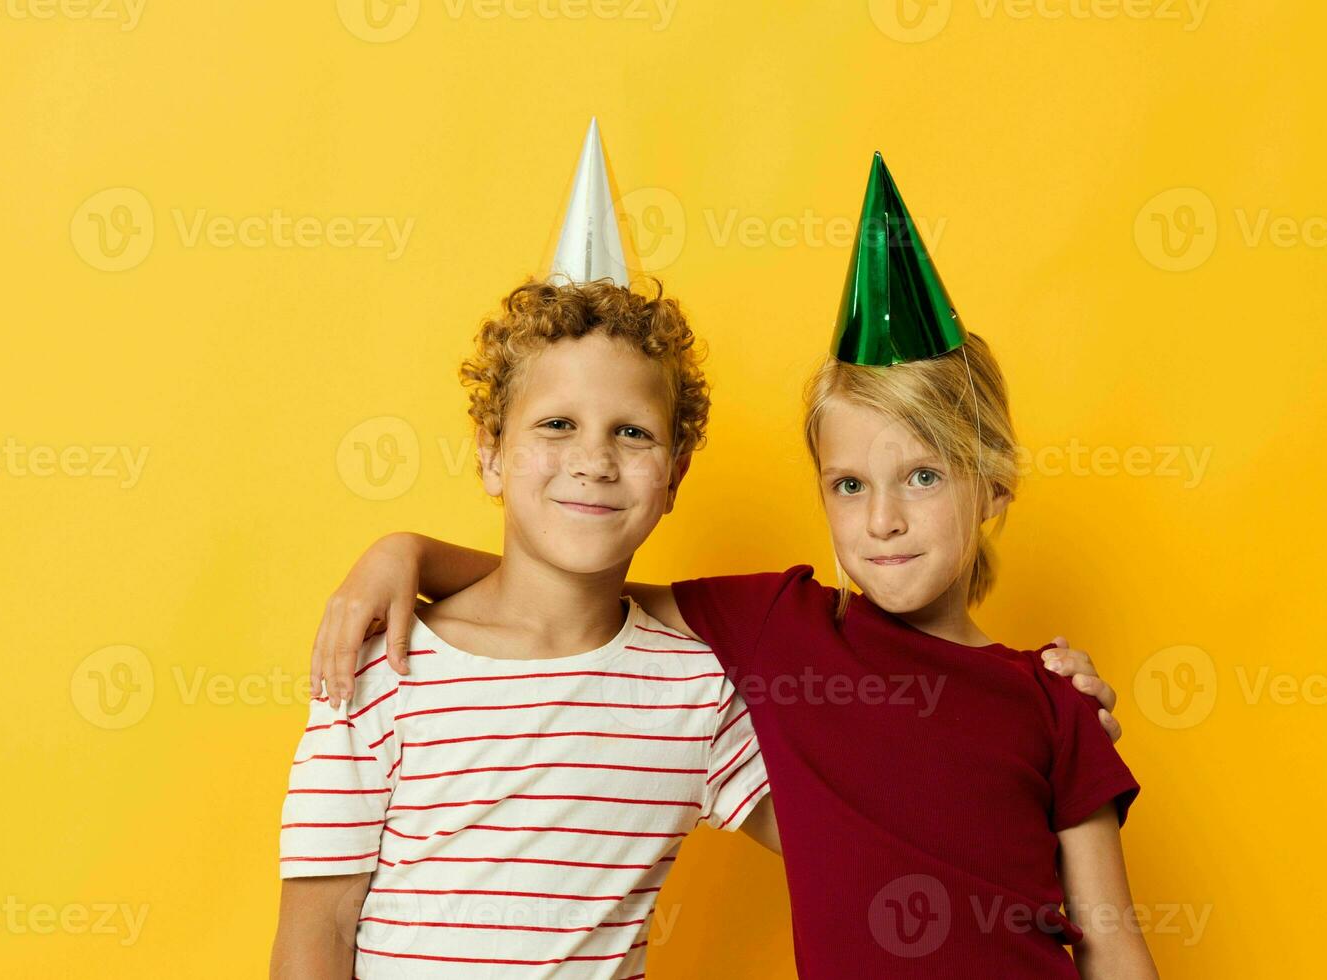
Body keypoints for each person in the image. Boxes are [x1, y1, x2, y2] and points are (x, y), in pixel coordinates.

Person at [309, 155, 1156, 976]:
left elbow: (1099, 933)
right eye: (851, 485)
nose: (886, 518)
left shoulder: (1040, 698)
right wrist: (404, 551)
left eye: (925, 477)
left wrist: (1051, 709)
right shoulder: (776, 630)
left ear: (995, 488)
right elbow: (573, 592)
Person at [270, 278, 776, 979]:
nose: (593, 461)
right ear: (490, 453)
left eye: (632, 433)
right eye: (556, 424)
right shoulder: (382, 663)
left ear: (675, 475)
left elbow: (845, 842)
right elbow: (317, 928)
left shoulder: (696, 692)